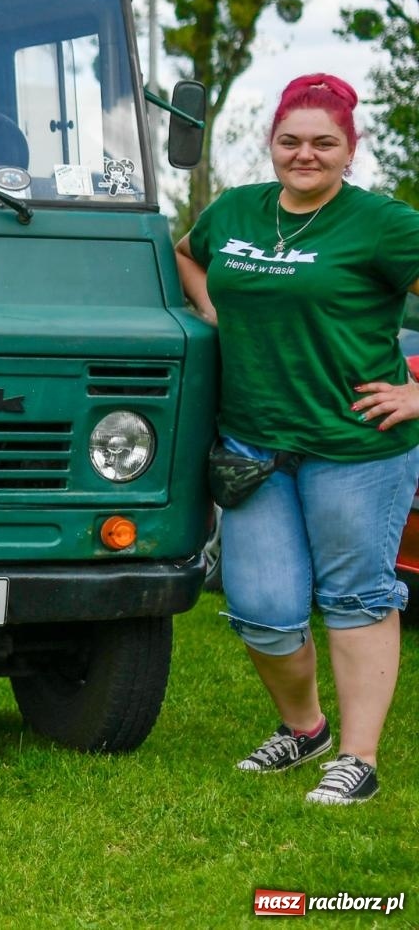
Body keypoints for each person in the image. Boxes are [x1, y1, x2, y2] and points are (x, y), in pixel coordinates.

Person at [175, 73, 419, 805]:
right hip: (253, 446)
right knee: (262, 608)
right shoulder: (237, 210)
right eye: (291, 141)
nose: (304, 155)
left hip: (356, 448)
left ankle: (358, 759)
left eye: (323, 143)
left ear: (351, 149)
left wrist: (417, 391)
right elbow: (189, 252)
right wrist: (216, 310)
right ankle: (304, 729)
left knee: (356, 596)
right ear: (271, 143)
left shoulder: (382, 223)